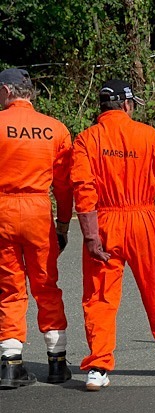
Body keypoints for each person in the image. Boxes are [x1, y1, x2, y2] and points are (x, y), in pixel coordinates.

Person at [70, 79, 155, 391]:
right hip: (143, 220)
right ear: (127, 105)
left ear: (102, 107)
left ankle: (99, 367)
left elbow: (83, 190)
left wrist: (90, 237)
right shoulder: (148, 136)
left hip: (104, 220)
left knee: (99, 296)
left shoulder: (87, 140)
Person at [0, 68, 73, 389]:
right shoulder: (55, 129)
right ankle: (57, 362)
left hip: (2, 212)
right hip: (38, 212)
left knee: (9, 288)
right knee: (46, 286)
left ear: (6, 91)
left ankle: (10, 362)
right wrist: (63, 224)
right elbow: (65, 186)